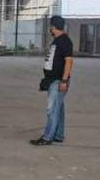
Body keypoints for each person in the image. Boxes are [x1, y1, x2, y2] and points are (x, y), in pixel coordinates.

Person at [31, 15, 74, 146]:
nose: (50, 28)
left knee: (52, 109)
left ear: (54, 27)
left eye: (51, 26)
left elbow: (69, 61)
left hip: (58, 80)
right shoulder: (58, 40)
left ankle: (47, 137)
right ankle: (58, 135)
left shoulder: (65, 41)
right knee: (58, 108)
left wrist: (64, 81)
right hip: (53, 79)